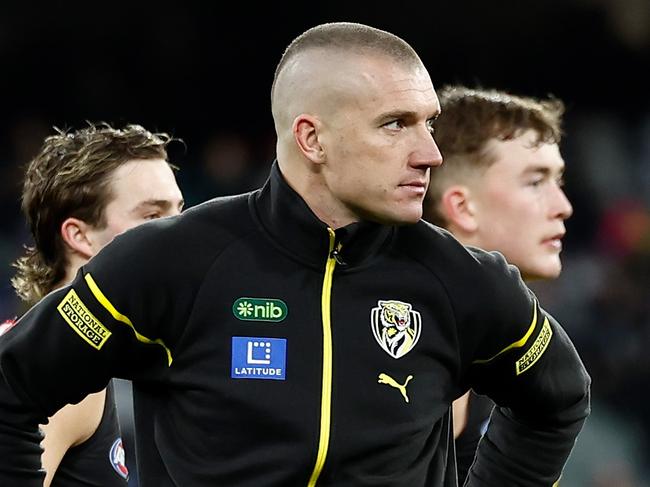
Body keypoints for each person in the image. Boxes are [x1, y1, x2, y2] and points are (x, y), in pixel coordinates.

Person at [0, 22, 589, 486]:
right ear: (312, 139)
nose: (429, 152)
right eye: (396, 125)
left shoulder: (464, 281)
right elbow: (11, 387)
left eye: (429, 124)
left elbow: (559, 400)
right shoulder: (171, 261)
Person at [4, 123, 184, 486]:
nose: (179, 232)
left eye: (180, 212)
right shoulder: (58, 373)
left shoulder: (71, 356)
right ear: (79, 235)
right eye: (152, 216)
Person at [423, 86, 574, 483]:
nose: (563, 206)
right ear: (462, 206)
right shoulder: (377, 349)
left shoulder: (509, 371)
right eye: (535, 181)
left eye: (558, 179)